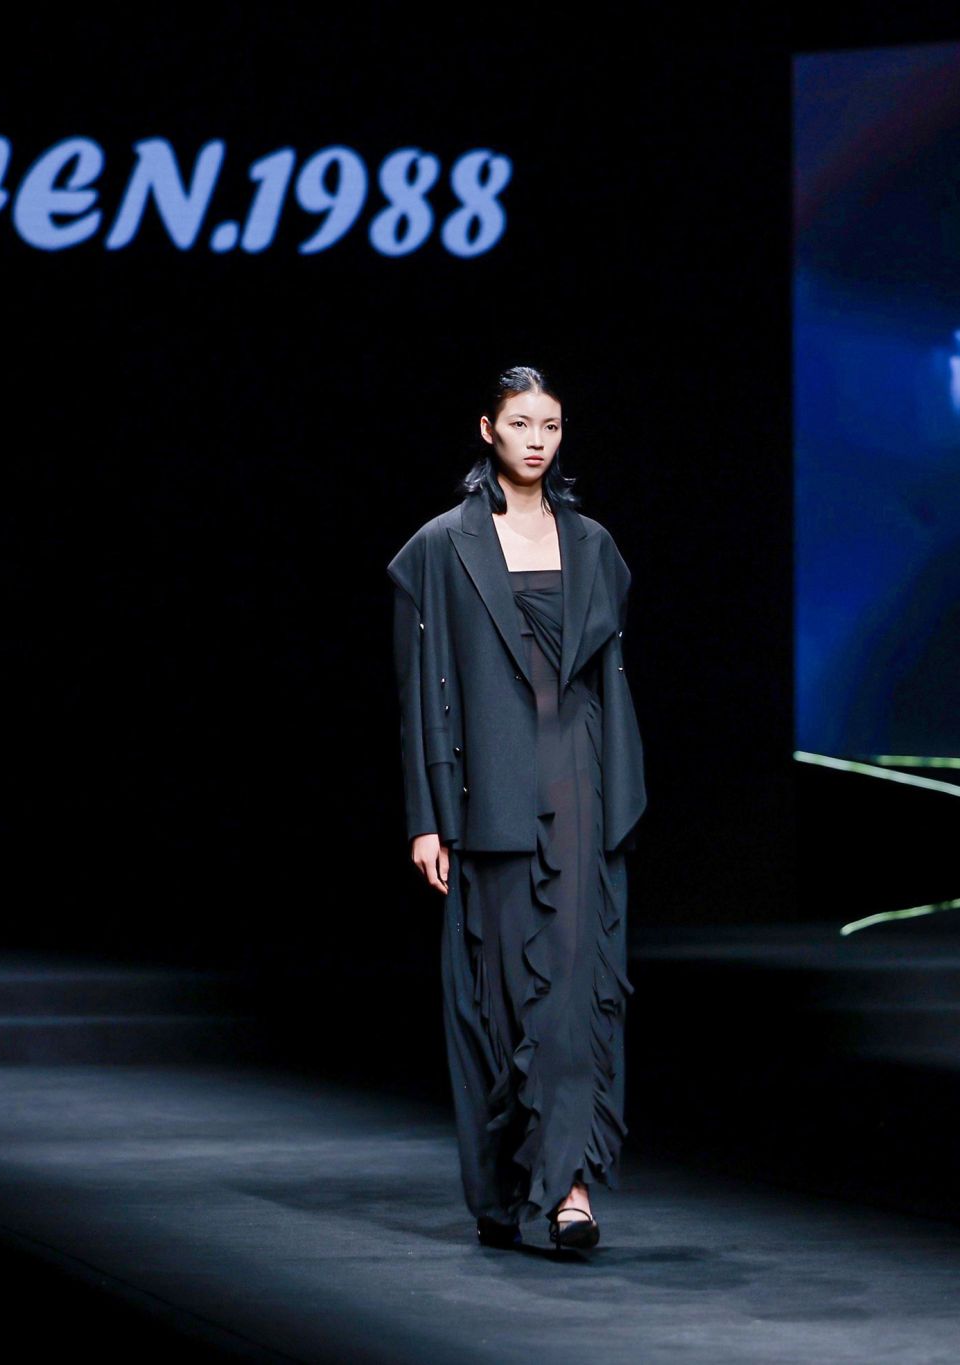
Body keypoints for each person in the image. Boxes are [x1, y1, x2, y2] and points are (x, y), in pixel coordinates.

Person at [387, 366, 645, 1252]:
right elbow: (422, 690)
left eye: (552, 425)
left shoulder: (594, 545)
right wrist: (426, 815)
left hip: (577, 782)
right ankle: (504, 1185)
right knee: (499, 998)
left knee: (572, 988)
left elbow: (606, 680)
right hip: (488, 793)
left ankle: (571, 1188)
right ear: (488, 430)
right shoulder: (440, 547)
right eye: (521, 423)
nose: (537, 439)